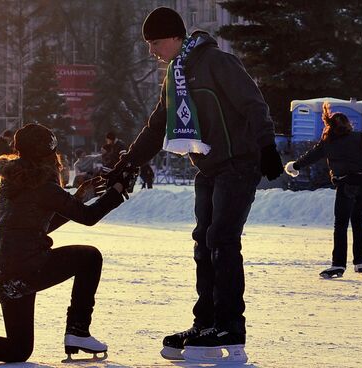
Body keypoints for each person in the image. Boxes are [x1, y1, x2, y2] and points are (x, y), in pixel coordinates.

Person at [105, 7, 283, 363]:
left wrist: (266, 146)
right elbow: (159, 126)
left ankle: (231, 326)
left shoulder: (217, 62)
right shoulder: (176, 72)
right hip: (209, 167)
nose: (152, 51)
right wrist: (128, 163)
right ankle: (206, 324)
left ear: (174, 37)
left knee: (222, 239)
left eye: (155, 42)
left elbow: (253, 103)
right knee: (203, 242)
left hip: (239, 164)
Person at [0, 123, 134, 366]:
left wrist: (78, 198)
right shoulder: (43, 185)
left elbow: (39, 225)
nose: (58, 160)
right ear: (46, 154)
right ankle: (78, 331)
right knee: (89, 258)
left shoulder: (12, 179)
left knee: (19, 349)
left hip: (3, 272)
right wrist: (118, 191)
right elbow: (88, 218)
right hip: (26, 266)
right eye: (54, 154)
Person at [285, 103, 362, 278]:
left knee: (341, 224)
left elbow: (311, 156)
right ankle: (360, 262)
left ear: (329, 126)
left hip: (348, 183)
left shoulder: (327, 143)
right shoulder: (358, 137)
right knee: (357, 219)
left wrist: (295, 166)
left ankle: (338, 264)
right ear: (347, 124)